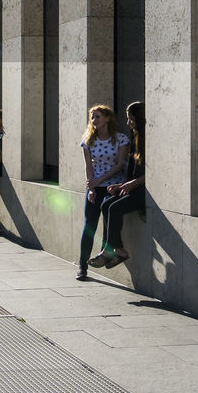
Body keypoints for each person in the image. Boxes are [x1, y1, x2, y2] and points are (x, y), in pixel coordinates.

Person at [89, 102, 146, 271]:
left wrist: (132, 184)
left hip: (146, 191)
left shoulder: (149, 140)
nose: (128, 123)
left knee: (114, 208)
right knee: (106, 204)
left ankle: (113, 250)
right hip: (134, 186)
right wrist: (121, 185)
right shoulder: (136, 139)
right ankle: (116, 250)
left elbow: (155, 173)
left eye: (131, 119)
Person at [76, 104, 131, 280]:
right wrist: (91, 188)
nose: (94, 120)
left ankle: (106, 253)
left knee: (109, 216)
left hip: (114, 186)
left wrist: (99, 181)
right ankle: (82, 266)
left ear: (107, 118)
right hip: (94, 187)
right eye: (92, 117)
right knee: (89, 225)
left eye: (97, 116)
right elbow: (88, 167)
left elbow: (120, 164)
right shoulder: (88, 141)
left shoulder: (120, 139)